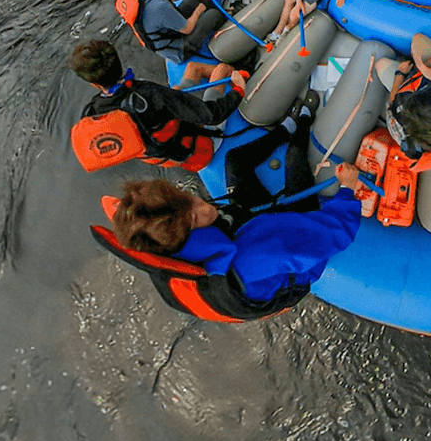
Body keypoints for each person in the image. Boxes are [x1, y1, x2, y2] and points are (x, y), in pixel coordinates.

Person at [109, 103, 363, 313]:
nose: (203, 204)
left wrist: (208, 217)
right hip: (261, 247)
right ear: (188, 231)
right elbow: (335, 233)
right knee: (296, 158)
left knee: (234, 162)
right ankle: (303, 124)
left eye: (190, 199)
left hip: (235, 229)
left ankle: (287, 127)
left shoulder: (164, 238)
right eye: (196, 215)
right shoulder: (257, 256)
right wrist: (347, 189)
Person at [68, 39, 243, 171]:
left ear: (94, 84)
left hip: (172, 157)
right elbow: (211, 115)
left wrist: (170, 97)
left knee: (192, 69)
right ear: (119, 64)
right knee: (222, 70)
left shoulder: (95, 111)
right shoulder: (150, 93)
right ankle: (243, 75)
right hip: (202, 148)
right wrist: (238, 91)